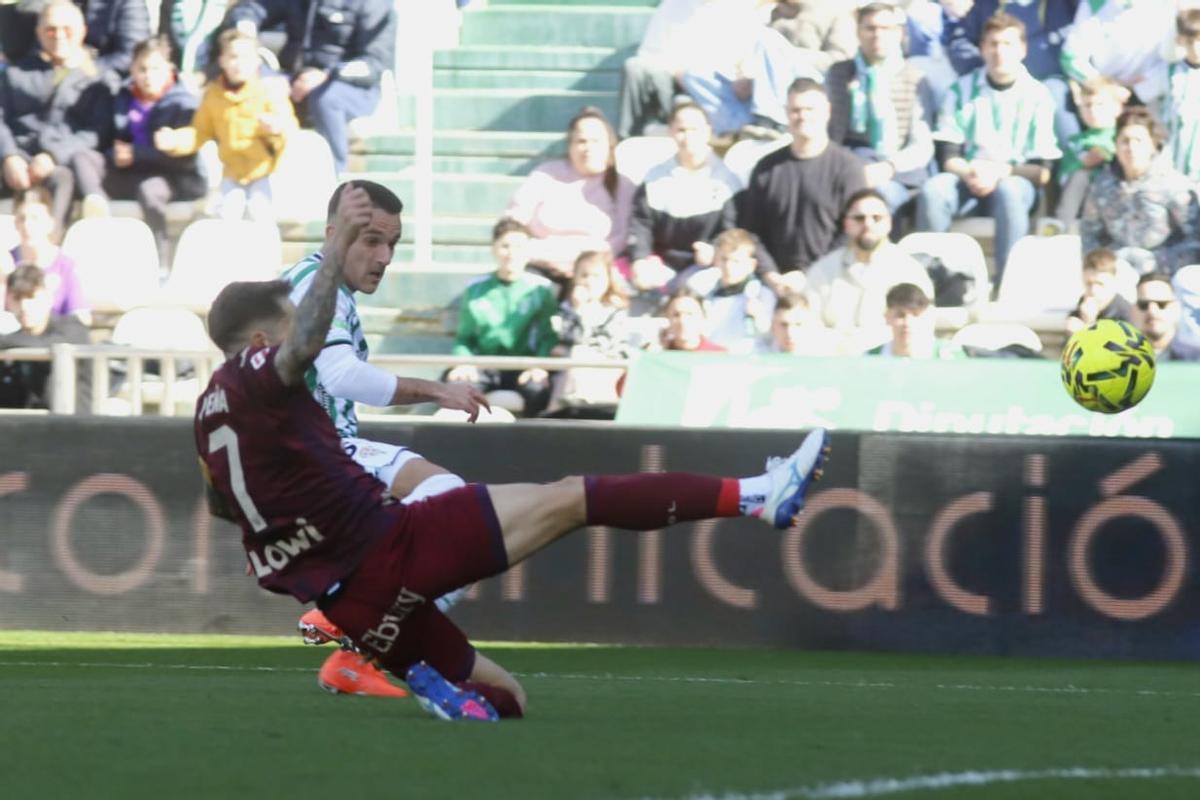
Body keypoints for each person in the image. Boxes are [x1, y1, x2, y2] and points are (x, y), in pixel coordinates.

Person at [193, 183, 832, 720]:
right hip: (388, 547)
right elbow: (311, 358)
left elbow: (224, 506)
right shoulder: (269, 350)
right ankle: (755, 495)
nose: (382, 257)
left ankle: (400, 665)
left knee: (504, 698)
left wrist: (298, 526)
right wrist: (337, 266)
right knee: (572, 497)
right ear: (255, 338)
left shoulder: (206, 415)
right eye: (370, 241)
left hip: (350, 593)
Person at [279, 180, 487, 698]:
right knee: (460, 513)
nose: (384, 256)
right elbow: (341, 376)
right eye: (370, 240)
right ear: (334, 235)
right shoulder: (314, 284)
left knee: (449, 515)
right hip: (310, 455)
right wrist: (435, 389)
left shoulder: (323, 288)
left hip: (316, 453)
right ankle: (363, 631)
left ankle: (355, 634)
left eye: (391, 244)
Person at [916, 13, 1061, 283]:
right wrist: (973, 171)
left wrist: (1000, 172)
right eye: (993, 44)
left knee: (1008, 191)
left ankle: (1010, 282)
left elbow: (1043, 171)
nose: (999, 52)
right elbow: (949, 157)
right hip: (968, 177)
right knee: (934, 191)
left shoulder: (1038, 95)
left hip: (1014, 181)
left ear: (1022, 49)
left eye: (1007, 44)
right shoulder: (960, 90)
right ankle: (933, 279)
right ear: (982, 48)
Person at [225, 0, 396, 176]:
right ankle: (251, 173)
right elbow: (255, 7)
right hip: (296, 79)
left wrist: (327, 75)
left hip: (350, 87)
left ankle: (337, 176)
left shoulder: (373, 4)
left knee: (327, 98)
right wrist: (245, 26)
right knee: (257, 82)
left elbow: (375, 63)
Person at [154, 27, 297, 222]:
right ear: (222, 61)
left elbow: (289, 128)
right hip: (232, 173)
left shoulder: (269, 90)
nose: (238, 64)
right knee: (225, 217)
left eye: (245, 58)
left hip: (265, 172)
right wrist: (175, 141)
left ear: (256, 61)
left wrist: (275, 129)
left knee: (260, 214)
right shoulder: (213, 94)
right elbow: (199, 132)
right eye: (233, 57)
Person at [91, 35, 208, 266]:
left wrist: (138, 154)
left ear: (169, 69)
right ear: (132, 69)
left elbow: (187, 160)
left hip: (174, 178)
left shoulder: (184, 103)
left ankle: (160, 260)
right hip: (131, 171)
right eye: (141, 69)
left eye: (155, 68)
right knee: (84, 160)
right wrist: (114, 154)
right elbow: (107, 139)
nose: (147, 75)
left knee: (150, 190)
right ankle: (98, 226)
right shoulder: (122, 98)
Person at [0, 1, 115, 231]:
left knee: (62, 179)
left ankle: (49, 254)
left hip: (60, 162)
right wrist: (9, 156)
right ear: (38, 33)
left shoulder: (99, 79)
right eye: (50, 29)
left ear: (82, 31)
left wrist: (53, 156)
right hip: (15, 157)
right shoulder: (15, 74)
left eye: (67, 29)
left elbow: (97, 132)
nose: (59, 36)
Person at [738, 78, 868, 278]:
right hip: (776, 285)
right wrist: (771, 275)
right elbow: (752, 232)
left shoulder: (849, 169)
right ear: (786, 113)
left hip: (832, 279)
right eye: (796, 110)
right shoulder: (766, 169)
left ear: (827, 111)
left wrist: (814, 275)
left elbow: (851, 232)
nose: (803, 116)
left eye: (810, 109)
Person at [824, 2, 937, 216]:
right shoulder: (839, 74)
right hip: (848, 161)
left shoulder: (915, 79)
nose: (877, 35)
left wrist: (888, 167)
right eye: (870, 28)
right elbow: (828, 133)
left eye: (885, 29)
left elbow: (921, 145)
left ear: (899, 34)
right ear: (858, 32)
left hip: (898, 168)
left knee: (883, 198)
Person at [504, 107, 635, 283]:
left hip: (595, 272)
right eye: (581, 141)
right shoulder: (546, 174)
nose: (588, 148)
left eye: (596, 141)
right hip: (541, 264)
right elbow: (514, 221)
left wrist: (583, 262)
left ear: (609, 146)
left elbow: (622, 237)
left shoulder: (623, 185)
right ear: (570, 146)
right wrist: (532, 253)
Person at [444, 218, 559, 417]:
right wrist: (463, 362)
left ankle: (532, 442)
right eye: (505, 246)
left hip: (525, 366)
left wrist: (539, 366)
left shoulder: (541, 289)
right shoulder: (476, 288)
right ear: (494, 249)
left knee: (538, 390)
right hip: (485, 365)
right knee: (459, 386)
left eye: (519, 246)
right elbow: (465, 337)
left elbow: (547, 337)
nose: (511, 253)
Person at [627, 101, 742, 297]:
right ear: (671, 131)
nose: (688, 137)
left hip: (707, 267)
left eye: (694, 129)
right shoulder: (654, 177)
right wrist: (640, 259)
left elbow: (732, 229)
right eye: (681, 130)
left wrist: (716, 251)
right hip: (660, 264)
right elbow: (641, 223)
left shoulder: (726, 179)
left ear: (707, 131)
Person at [1079, 107, 1200, 276]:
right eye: (1125, 141)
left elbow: (1194, 240)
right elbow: (1089, 233)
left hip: (1165, 274)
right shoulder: (1101, 186)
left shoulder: (1175, 185)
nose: (1131, 148)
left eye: (1139, 140)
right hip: (1117, 272)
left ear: (1153, 144)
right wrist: (1108, 263)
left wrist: (1157, 261)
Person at [805, 188, 934, 331]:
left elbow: (921, 327)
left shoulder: (910, 271)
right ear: (846, 224)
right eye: (859, 218)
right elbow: (808, 326)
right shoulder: (823, 270)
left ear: (889, 223)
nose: (868, 224)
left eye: (876, 218)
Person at [545, 249, 631, 418]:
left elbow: (612, 347)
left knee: (580, 354)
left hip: (606, 368)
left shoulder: (615, 311)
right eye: (584, 275)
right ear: (575, 278)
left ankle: (558, 410)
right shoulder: (565, 310)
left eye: (596, 276)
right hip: (567, 371)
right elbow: (561, 341)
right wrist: (579, 310)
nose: (589, 282)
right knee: (577, 357)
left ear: (608, 279)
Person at [0, 264, 91, 411]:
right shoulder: (11, 341)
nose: (24, 306)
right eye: (17, 298)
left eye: (31, 297)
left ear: (48, 298)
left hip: (76, 426)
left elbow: (48, 344)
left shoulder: (73, 328)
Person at [0, 0, 151, 87]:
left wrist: (79, 71)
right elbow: (38, 44)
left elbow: (132, 55)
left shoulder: (127, 3)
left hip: (103, 87)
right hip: (52, 81)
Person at [684, 228, 775, 354]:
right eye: (724, 259)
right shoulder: (701, 290)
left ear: (751, 265)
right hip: (709, 359)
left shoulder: (762, 295)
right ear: (716, 260)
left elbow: (773, 339)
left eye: (736, 261)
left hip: (747, 361)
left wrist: (761, 320)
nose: (729, 267)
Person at [1, 188, 87, 319]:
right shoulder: (5, 262)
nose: (27, 225)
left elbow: (81, 317)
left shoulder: (65, 266)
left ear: (50, 223)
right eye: (21, 219)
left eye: (35, 218)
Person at [1052, 77, 1123, 229]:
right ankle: (1059, 226)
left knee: (1083, 175)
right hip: (1074, 196)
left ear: (1117, 108)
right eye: (1087, 105)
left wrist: (1106, 155)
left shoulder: (1120, 137)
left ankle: (1061, 225)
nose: (1093, 110)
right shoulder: (1075, 141)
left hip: (1108, 197)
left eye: (1100, 104)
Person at [865, 281, 963, 358]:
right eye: (900, 315)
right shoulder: (870, 358)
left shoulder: (947, 355)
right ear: (887, 316)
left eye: (915, 315)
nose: (907, 323)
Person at [1158, 9, 1200, 184]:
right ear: (1180, 40)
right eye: (1190, 41)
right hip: (1176, 171)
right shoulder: (1169, 72)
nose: (1196, 48)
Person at [1131, 271, 1195, 362]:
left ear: (1177, 308)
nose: (1152, 311)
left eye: (1162, 304)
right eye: (1143, 305)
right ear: (1133, 310)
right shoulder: (1118, 358)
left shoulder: (1195, 358)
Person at [1066, 247, 1132, 334]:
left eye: (1100, 284)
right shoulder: (1080, 309)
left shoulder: (1127, 316)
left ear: (1113, 282)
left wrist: (1088, 326)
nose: (1093, 291)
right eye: (1089, 284)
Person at [760, 293, 842, 356]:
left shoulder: (829, 350)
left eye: (798, 324)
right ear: (772, 327)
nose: (790, 333)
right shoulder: (758, 351)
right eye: (784, 325)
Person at [657, 289, 726, 352]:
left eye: (690, 314)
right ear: (668, 318)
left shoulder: (718, 355)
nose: (682, 321)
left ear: (703, 317)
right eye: (676, 315)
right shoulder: (659, 354)